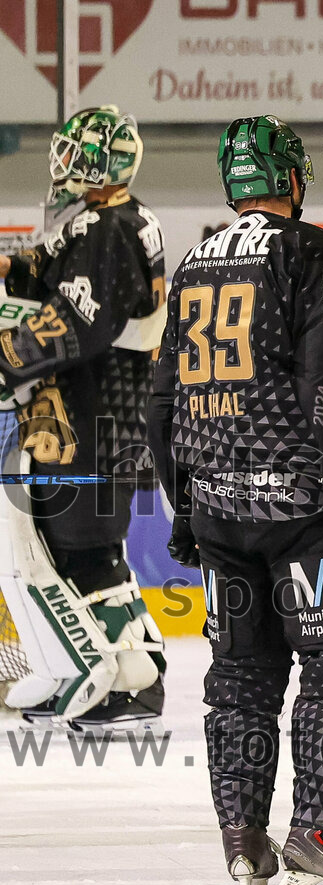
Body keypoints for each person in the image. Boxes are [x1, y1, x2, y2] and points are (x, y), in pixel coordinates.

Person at [148, 115, 323, 885]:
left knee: (238, 682)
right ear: (294, 180)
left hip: (220, 511)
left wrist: (183, 505)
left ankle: (243, 841)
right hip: (303, 508)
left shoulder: (195, 261)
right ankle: (319, 834)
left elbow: (160, 405)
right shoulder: (319, 254)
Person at [0, 105, 167, 735]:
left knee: (79, 551)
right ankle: (134, 674)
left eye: (72, 152)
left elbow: (78, 322)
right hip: (110, 415)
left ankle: (118, 683)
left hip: (91, 417)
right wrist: (12, 267)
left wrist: (7, 356)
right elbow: (55, 275)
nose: (61, 163)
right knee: (96, 553)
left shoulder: (105, 225)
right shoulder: (119, 220)